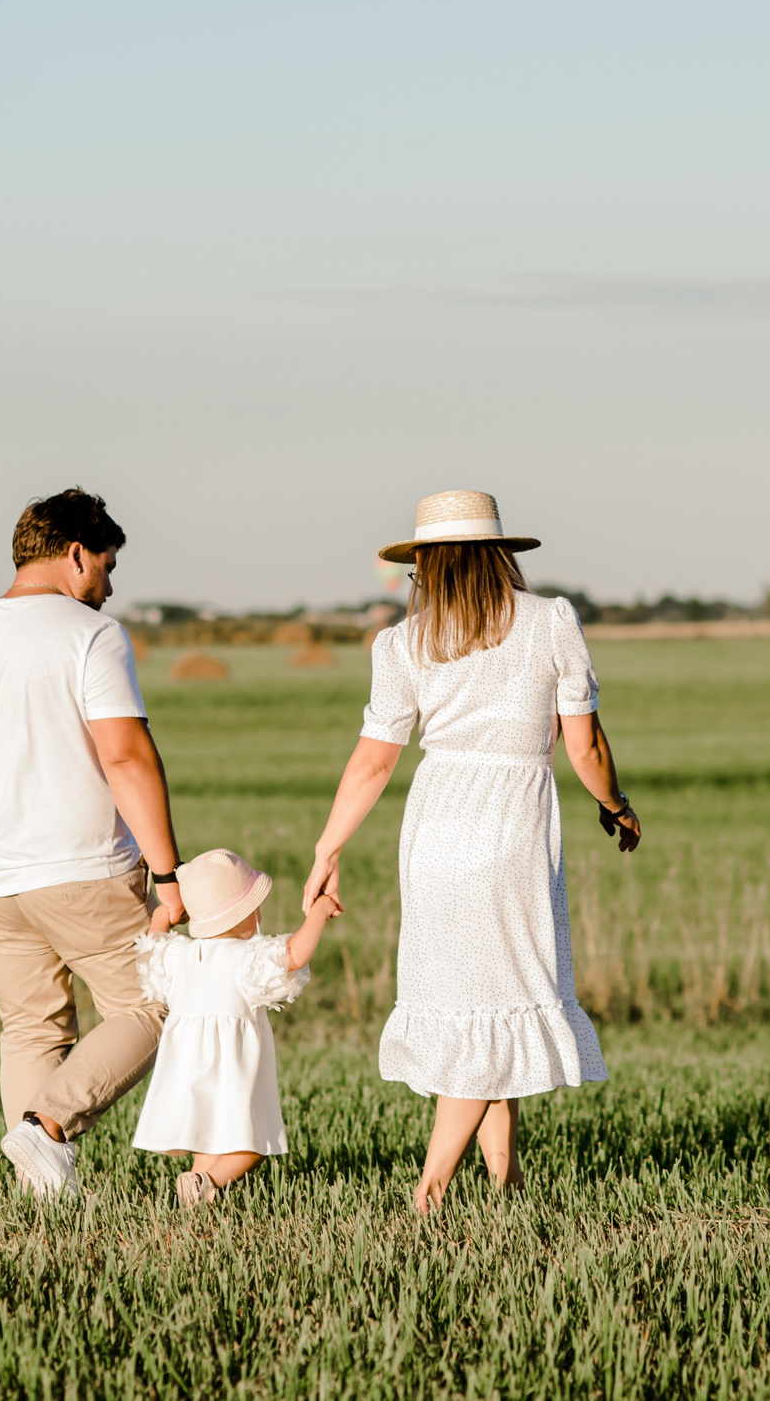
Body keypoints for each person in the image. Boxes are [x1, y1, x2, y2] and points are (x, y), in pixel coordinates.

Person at [303, 489, 643, 1212]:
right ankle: (430, 1189)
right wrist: (616, 805)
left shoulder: (401, 642)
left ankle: (506, 1183)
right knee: (497, 1000)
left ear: (425, 565)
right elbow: (584, 743)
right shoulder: (551, 620)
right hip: (512, 830)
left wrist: (327, 848)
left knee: (481, 1001)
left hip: (434, 830)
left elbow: (371, 761)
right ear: (500, 554)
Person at [0, 487, 186, 1200]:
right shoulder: (90, 635)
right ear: (76, 553)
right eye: (108, 565)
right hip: (82, 869)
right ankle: (46, 1128)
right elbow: (126, 757)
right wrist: (167, 874)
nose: (110, 585)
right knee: (159, 1002)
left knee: (30, 1027)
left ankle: (39, 1191)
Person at [130, 847, 339, 1206]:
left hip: (188, 1066)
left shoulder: (179, 956)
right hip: (232, 1067)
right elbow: (293, 955)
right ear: (239, 915)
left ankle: (196, 1188)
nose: (259, 914)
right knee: (253, 1144)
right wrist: (319, 912)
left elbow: (151, 949)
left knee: (207, 1137)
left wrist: (165, 913)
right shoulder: (245, 959)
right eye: (253, 907)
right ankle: (206, 1181)